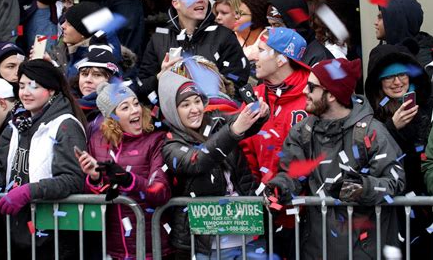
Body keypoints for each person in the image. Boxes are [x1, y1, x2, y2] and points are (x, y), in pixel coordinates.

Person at [267, 58, 405, 259]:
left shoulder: (371, 132)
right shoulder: (302, 132)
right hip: (316, 247)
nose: (304, 91)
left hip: (363, 248)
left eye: (311, 87)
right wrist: (279, 187)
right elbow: (293, 174)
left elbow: (395, 181)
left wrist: (361, 188)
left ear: (331, 94)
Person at [0, 59, 87, 259]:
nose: (25, 92)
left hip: (54, 237)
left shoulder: (65, 125)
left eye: (33, 86)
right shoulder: (14, 125)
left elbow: (73, 179)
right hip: (17, 233)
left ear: (51, 90)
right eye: (21, 86)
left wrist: (29, 191)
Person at [159, 71, 269, 259]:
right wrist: (233, 131)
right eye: (185, 105)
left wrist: (259, 113)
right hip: (208, 243)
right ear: (172, 111)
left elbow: (244, 123)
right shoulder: (170, 143)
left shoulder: (217, 121)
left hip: (249, 233)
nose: (195, 109)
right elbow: (197, 161)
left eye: (197, 101)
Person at [78, 82, 171, 259]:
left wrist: (129, 180)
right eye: (125, 107)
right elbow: (90, 197)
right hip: (113, 248)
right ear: (111, 117)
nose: (135, 110)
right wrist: (95, 178)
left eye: (136, 103)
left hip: (151, 248)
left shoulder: (156, 140)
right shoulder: (97, 141)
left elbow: (161, 191)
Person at [239, 27, 309, 258]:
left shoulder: (313, 96)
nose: (253, 56)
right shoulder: (254, 97)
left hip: (309, 214)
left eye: (261, 50)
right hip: (264, 213)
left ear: (281, 59)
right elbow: (245, 150)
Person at [365, 44, 433, 258]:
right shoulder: (370, 116)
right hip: (391, 211)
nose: (397, 82)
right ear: (379, 82)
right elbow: (367, 161)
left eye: (401, 74)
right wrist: (391, 128)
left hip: (428, 205)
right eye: (389, 77)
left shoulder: (431, 108)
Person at [138, 0, 250, 102]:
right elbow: (142, 87)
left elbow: (238, 80)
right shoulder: (159, 38)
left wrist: (215, 84)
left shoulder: (224, 36)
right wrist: (160, 77)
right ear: (176, 3)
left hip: (216, 115)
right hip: (171, 119)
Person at [374, 0, 433, 100]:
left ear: (395, 22)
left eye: (381, 18)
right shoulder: (384, 50)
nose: (375, 23)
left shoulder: (423, 61)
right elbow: (382, 100)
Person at [267, 0, 334, 66]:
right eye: (270, 25)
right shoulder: (282, 49)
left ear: (292, 24)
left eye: (277, 25)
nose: (272, 31)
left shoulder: (319, 58)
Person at [61, 2, 122, 79]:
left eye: (69, 24)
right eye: (64, 21)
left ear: (84, 32)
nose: (63, 26)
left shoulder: (93, 63)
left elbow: (69, 85)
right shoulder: (80, 52)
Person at [235, 0, 270, 65]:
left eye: (242, 14)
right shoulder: (230, 38)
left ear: (256, 20)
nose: (235, 17)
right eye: (236, 13)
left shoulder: (269, 46)